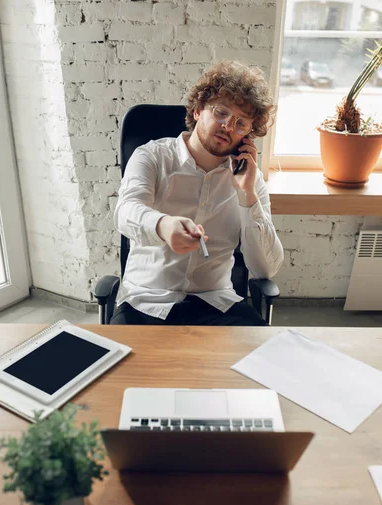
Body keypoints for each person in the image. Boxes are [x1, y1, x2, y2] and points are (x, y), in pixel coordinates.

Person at [111, 60, 284, 326]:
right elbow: (126, 212)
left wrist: (248, 195)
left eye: (241, 123)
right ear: (197, 111)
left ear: (248, 135)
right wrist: (163, 225)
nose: (228, 126)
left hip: (216, 303)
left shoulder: (251, 180)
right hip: (146, 301)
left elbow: (265, 268)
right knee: (132, 367)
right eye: (221, 112)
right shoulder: (151, 157)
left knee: (264, 361)